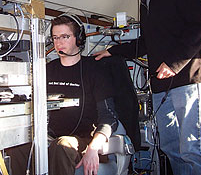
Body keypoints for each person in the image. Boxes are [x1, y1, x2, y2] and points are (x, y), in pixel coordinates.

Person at [93, 0, 201, 175]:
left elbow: (200, 27)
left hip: (189, 82)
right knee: (171, 148)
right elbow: (147, 43)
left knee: (193, 148)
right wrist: (113, 51)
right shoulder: (145, 4)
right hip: (161, 87)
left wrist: (173, 63)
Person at [8, 14, 121, 175]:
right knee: (18, 147)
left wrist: (93, 148)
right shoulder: (47, 70)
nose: (58, 43)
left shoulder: (95, 70)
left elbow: (109, 116)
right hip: (51, 138)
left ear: (79, 39)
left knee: (62, 146)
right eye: (55, 37)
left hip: (83, 140)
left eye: (65, 37)